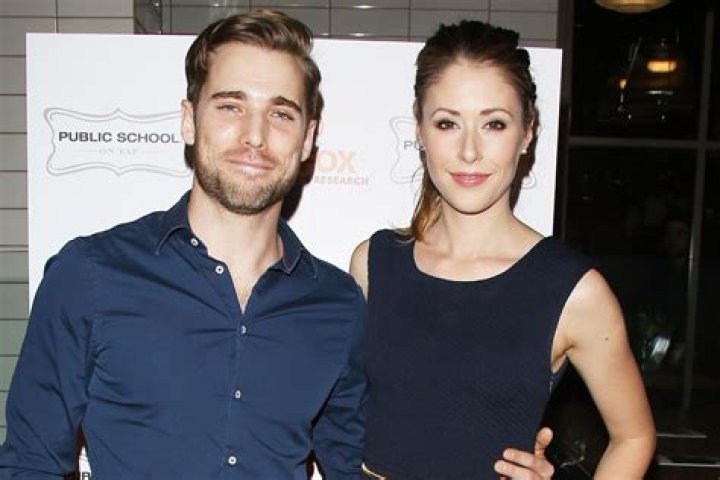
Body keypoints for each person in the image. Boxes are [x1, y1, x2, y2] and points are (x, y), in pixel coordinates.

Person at [0, 10, 553, 480]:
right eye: (231, 106)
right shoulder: (90, 275)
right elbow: (29, 463)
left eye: (281, 113)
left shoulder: (337, 305)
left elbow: (366, 464)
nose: (255, 135)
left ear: (308, 138)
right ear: (189, 120)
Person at [350, 20, 656, 479]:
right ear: (420, 130)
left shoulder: (572, 291)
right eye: (447, 123)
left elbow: (633, 436)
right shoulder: (374, 264)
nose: (469, 151)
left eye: (494, 123)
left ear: (528, 132)